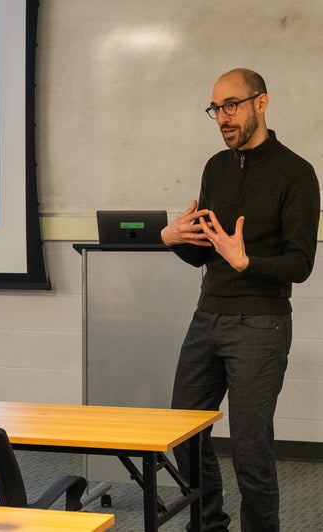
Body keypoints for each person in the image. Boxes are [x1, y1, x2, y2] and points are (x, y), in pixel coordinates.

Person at [161, 68, 319, 531]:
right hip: (208, 315)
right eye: (216, 109)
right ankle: (208, 524)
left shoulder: (297, 173)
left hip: (261, 324)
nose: (223, 118)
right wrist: (172, 239)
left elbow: (301, 264)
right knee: (183, 435)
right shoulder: (216, 167)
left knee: (250, 449)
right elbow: (206, 253)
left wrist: (248, 262)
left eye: (232, 106)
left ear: (261, 103)